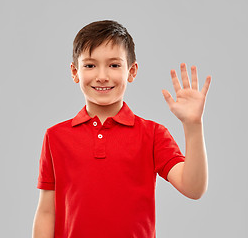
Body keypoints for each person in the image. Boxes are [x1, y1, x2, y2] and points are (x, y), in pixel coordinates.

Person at [32, 20, 211, 238]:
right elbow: (46, 211)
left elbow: (193, 188)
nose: (102, 76)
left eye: (114, 65)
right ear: (75, 72)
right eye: (90, 65)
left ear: (132, 71)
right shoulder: (55, 137)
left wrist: (193, 126)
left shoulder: (153, 134)